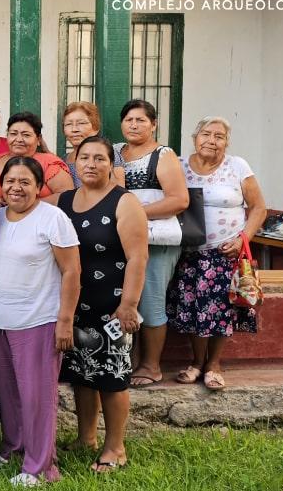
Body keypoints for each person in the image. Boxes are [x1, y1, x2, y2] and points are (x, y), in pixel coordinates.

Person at [0, 156, 81, 486]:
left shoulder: (53, 218)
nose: (16, 187)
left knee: (37, 398)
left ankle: (40, 466)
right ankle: (14, 447)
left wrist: (65, 320)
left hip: (38, 320)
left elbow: (71, 271)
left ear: (39, 186)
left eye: (25, 182)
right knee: (9, 394)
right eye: (10, 181)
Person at [55, 135, 148, 473]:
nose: (91, 164)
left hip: (113, 308)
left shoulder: (124, 203)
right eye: (84, 158)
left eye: (99, 158)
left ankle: (116, 448)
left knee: (112, 376)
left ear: (112, 164)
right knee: (82, 375)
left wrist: (129, 304)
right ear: (74, 163)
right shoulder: (63, 201)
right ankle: (86, 437)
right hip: (77, 306)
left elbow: (138, 257)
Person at [167, 117, 267, 391]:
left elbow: (259, 208)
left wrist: (243, 238)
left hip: (225, 252)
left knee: (221, 310)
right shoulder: (178, 165)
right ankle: (197, 362)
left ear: (227, 142)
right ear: (194, 138)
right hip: (188, 251)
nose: (212, 140)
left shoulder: (238, 166)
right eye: (206, 134)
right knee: (196, 308)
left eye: (219, 136)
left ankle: (214, 365)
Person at [113, 99, 189, 387]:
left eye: (141, 120)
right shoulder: (117, 152)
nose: (134, 125)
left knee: (151, 299)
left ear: (153, 124)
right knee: (125, 297)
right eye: (129, 119)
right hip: (123, 239)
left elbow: (179, 199)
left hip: (157, 240)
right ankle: (128, 361)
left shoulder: (163, 154)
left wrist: (134, 215)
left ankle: (151, 365)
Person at [0, 112, 74, 204]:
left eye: (26, 135)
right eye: (13, 134)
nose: (19, 139)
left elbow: (68, 197)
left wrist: (26, 205)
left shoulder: (49, 163)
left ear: (39, 139)